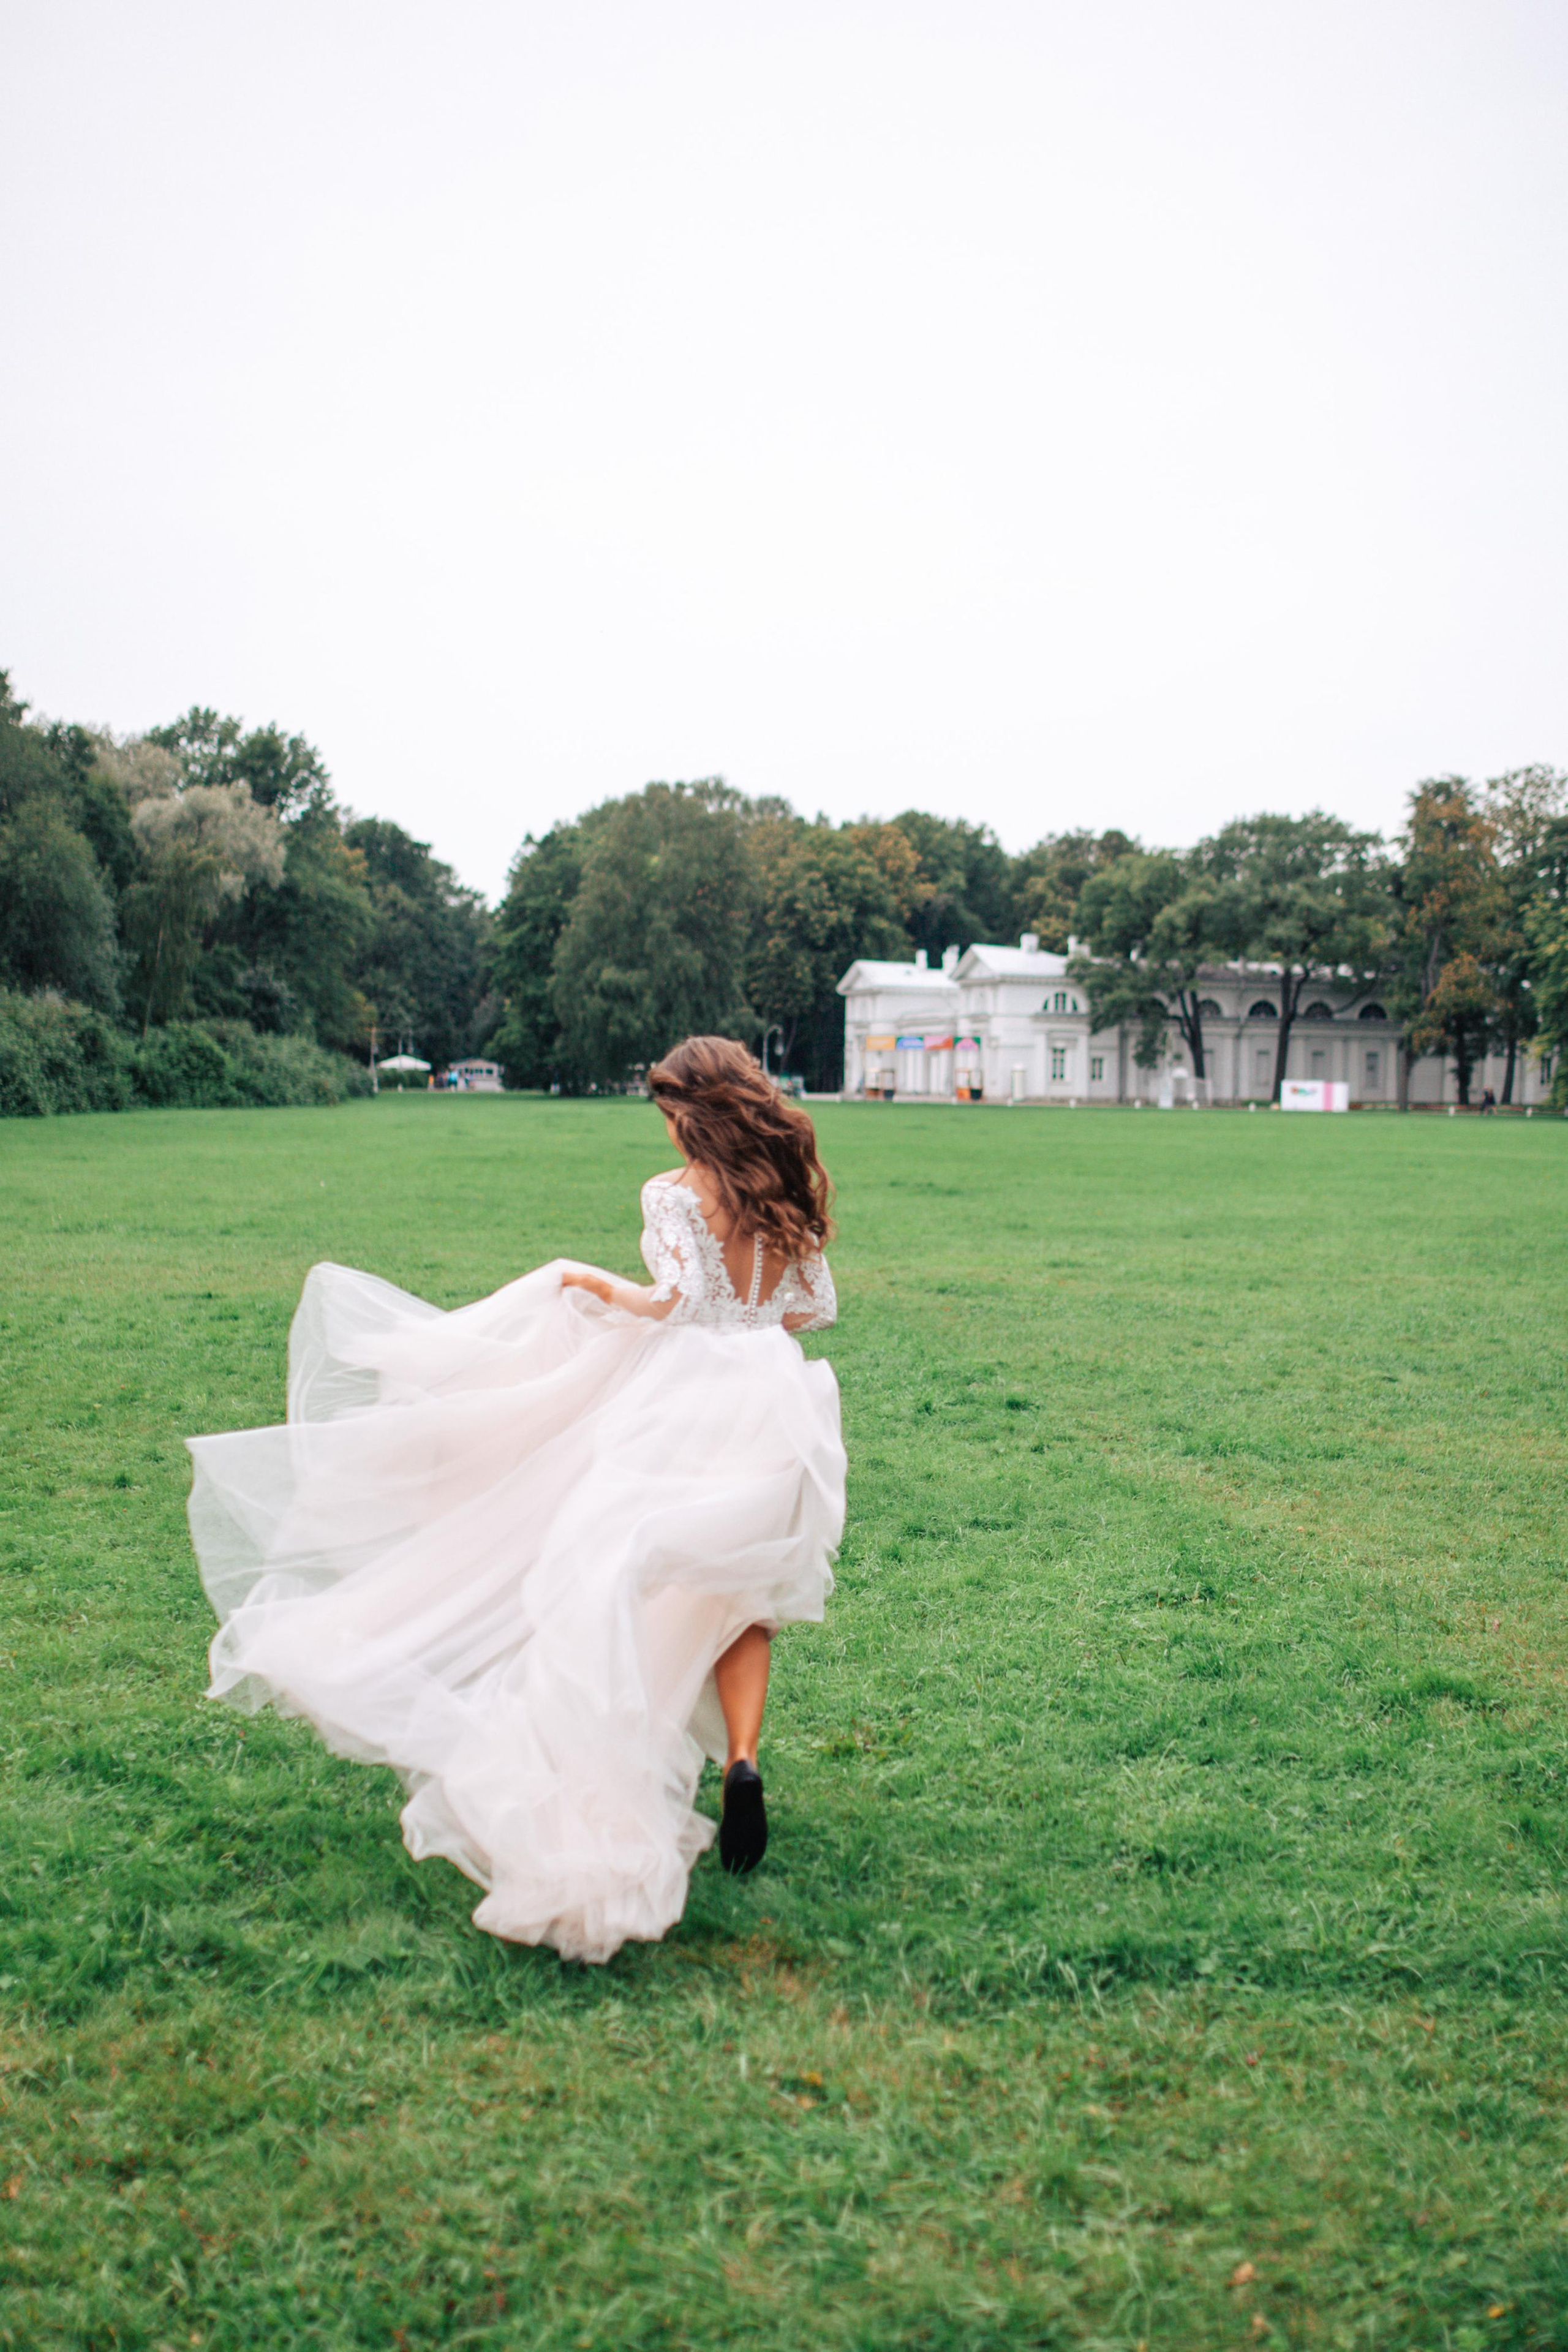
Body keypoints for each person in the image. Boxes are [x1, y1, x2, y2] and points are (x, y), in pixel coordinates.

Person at [185, 1036, 845, 1964]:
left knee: (608, 1569)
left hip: (685, 1397)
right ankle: (741, 1757)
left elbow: (670, 1303)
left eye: (667, 1113)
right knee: (744, 1592)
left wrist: (583, 1280)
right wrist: (753, 1313)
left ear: (688, 1113)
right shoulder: (784, 1183)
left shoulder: (673, 1194)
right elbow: (814, 1309)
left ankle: (604, 1753)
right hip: (774, 1397)